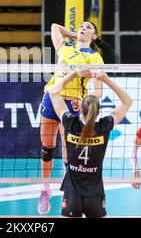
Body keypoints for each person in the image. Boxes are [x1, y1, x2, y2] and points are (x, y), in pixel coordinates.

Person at [38, 21, 107, 215]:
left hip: (74, 103)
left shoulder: (95, 57)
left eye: (88, 28)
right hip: (52, 97)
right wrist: (75, 35)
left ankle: (71, 191)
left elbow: (99, 90)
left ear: (94, 36)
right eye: (81, 26)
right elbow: (53, 27)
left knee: (70, 153)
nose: (83, 29)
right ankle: (45, 189)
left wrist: (85, 100)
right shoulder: (64, 47)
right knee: (47, 147)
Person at [48, 69, 132, 218]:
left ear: (80, 108)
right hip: (95, 191)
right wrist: (106, 80)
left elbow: (53, 92)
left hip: (72, 191)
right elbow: (127, 102)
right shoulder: (104, 126)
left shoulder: (70, 123)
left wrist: (74, 74)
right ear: (98, 111)